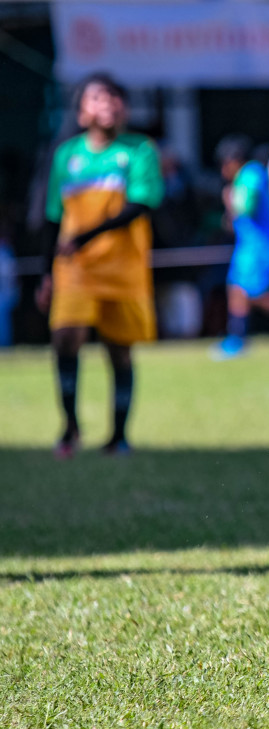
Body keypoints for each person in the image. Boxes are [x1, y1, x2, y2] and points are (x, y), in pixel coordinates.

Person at [36, 74, 163, 457]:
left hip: (123, 269)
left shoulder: (139, 150)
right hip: (74, 268)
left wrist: (88, 235)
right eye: (97, 97)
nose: (107, 104)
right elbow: (53, 217)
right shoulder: (67, 155)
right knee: (66, 339)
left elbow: (140, 204)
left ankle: (118, 436)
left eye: (115, 98)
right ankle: (70, 428)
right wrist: (46, 272)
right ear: (81, 111)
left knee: (119, 350)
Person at [212, 135, 269, 358]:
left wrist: (229, 199)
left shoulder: (250, 174)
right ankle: (237, 338)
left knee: (257, 296)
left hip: (257, 249)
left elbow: (244, 208)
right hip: (249, 248)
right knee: (238, 290)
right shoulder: (252, 174)